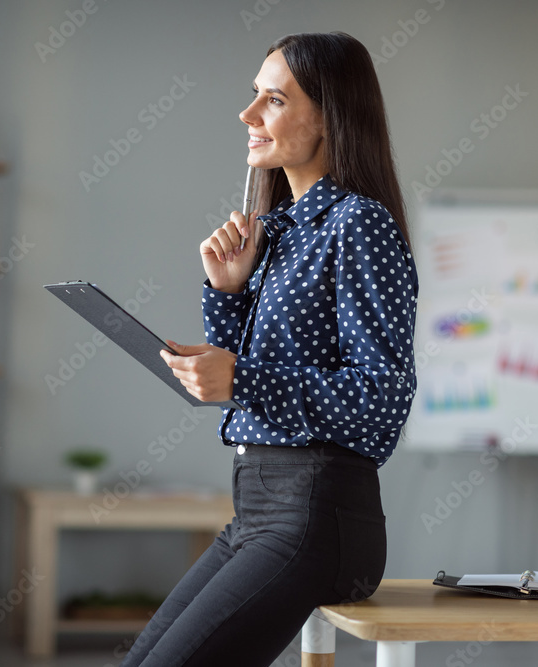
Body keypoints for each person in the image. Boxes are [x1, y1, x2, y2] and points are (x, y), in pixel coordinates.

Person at [119, 31, 419, 666]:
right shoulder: (278, 232)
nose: (248, 114)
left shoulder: (359, 224)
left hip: (317, 515)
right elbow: (247, 388)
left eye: (273, 100)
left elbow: (383, 399)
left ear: (329, 116)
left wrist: (245, 378)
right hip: (257, 509)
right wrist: (227, 293)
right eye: (254, 95)